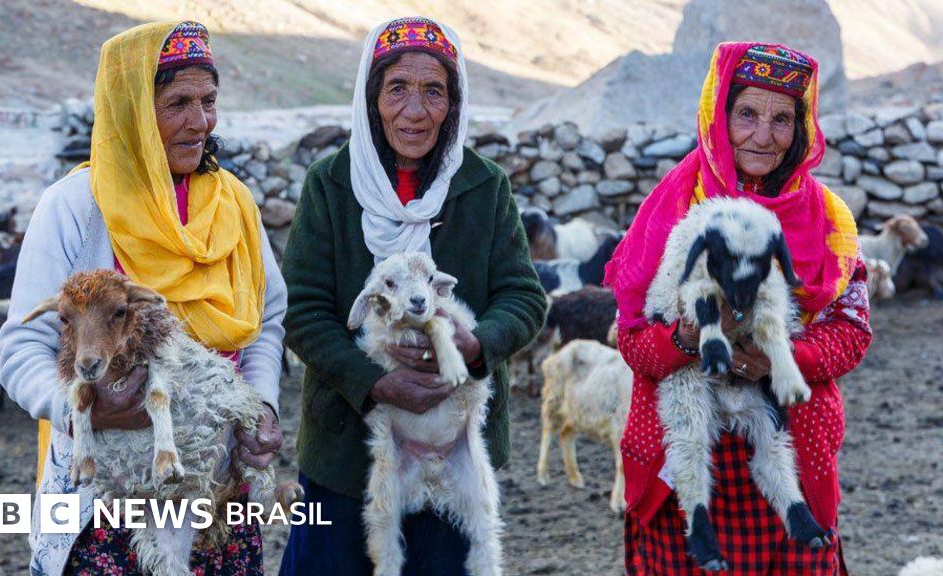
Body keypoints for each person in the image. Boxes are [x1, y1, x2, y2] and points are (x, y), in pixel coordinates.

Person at [0, 21, 286, 576]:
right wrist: (84, 408)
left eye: (208, 101)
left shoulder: (234, 204)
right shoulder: (76, 207)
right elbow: (21, 348)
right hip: (104, 498)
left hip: (216, 488)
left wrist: (262, 408)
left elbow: (266, 321)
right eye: (177, 103)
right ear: (131, 110)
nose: (200, 122)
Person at [277, 16, 547, 576]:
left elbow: (523, 296)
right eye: (397, 88)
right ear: (372, 97)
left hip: (454, 448)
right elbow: (302, 310)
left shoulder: (484, 186)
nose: (416, 111)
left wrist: (474, 345)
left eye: (434, 91)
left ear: (454, 103)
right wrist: (375, 382)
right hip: (345, 454)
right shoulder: (330, 184)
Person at [606, 42, 872, 574]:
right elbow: (632, 340)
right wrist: (687, 338)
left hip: (789, 440)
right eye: (747, 114)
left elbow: (852, 329)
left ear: (801, 128)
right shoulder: (671, 209)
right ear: (719, 115)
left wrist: (779, 360)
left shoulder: (829, 219)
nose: (763, 136)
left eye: (782, 119)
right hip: (679, 450)